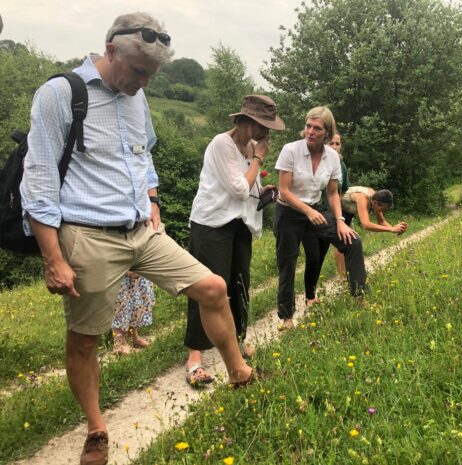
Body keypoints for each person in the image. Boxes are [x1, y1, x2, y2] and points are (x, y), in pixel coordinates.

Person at [20, 13, 254, 465]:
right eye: (139, 72)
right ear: (111, 51)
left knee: (213, 288)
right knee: (87, 337)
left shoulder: (136, 97)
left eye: (153, 75)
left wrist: (153, 206)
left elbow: (143, 156)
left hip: (142, 230)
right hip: (87, 234)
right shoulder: (60, 94)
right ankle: (97, 430)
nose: (144, 83)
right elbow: (39, 180)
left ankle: (240, 372)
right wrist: (53, 257)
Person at [184, 95, 284, 387]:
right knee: (207, 288)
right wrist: (259, 160)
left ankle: (238, 342)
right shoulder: (222, 144)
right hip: (212, 223)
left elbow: (246, 185)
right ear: (245, 121)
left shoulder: (249, 147)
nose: (266, 133)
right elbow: (238, 188)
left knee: (240, 284)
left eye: (269, 127)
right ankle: (195, 357)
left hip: (240, 224)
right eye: (262, 126)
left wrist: (262, 187)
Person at [275, 106, 367, 330]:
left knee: (352, 242)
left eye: (317, 128)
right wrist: (307, 211)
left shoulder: (332, 157)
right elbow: (284, 191)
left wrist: (340, 221)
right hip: (289, 212)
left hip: (317, 210)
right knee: (288, 261)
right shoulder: (290, 150)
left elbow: (333, 192)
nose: (310, 131)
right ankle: (287, 318)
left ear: (327, 132)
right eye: (308, 126)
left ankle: (360, 298)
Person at [300, 132, 350, 305]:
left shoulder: (340, 165)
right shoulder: (314, 161)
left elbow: (342, 190)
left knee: (320, 256)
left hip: (329, 218)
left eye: (338, 144)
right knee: (313, 256)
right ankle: (309, 296)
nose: (335, 147)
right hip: (311, 216)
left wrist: (339, 217)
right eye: (331, 143)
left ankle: (311, 293)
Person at [111, 272, 154, 355]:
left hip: (135, 262)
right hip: (121, 264)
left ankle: (133, 336)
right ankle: (119, 343)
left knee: (136, 297)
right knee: (122, 300)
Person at [341, 187, 408, 235]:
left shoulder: (376, 198)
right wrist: (391, 229)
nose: (383, 212)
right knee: (347, 240)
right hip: (335, 210)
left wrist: (395, 229)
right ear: (375, 203)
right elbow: (366, 225)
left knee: (351, 240)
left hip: (346, 213)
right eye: (382, 209)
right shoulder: (362, 198)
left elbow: (381, 221)